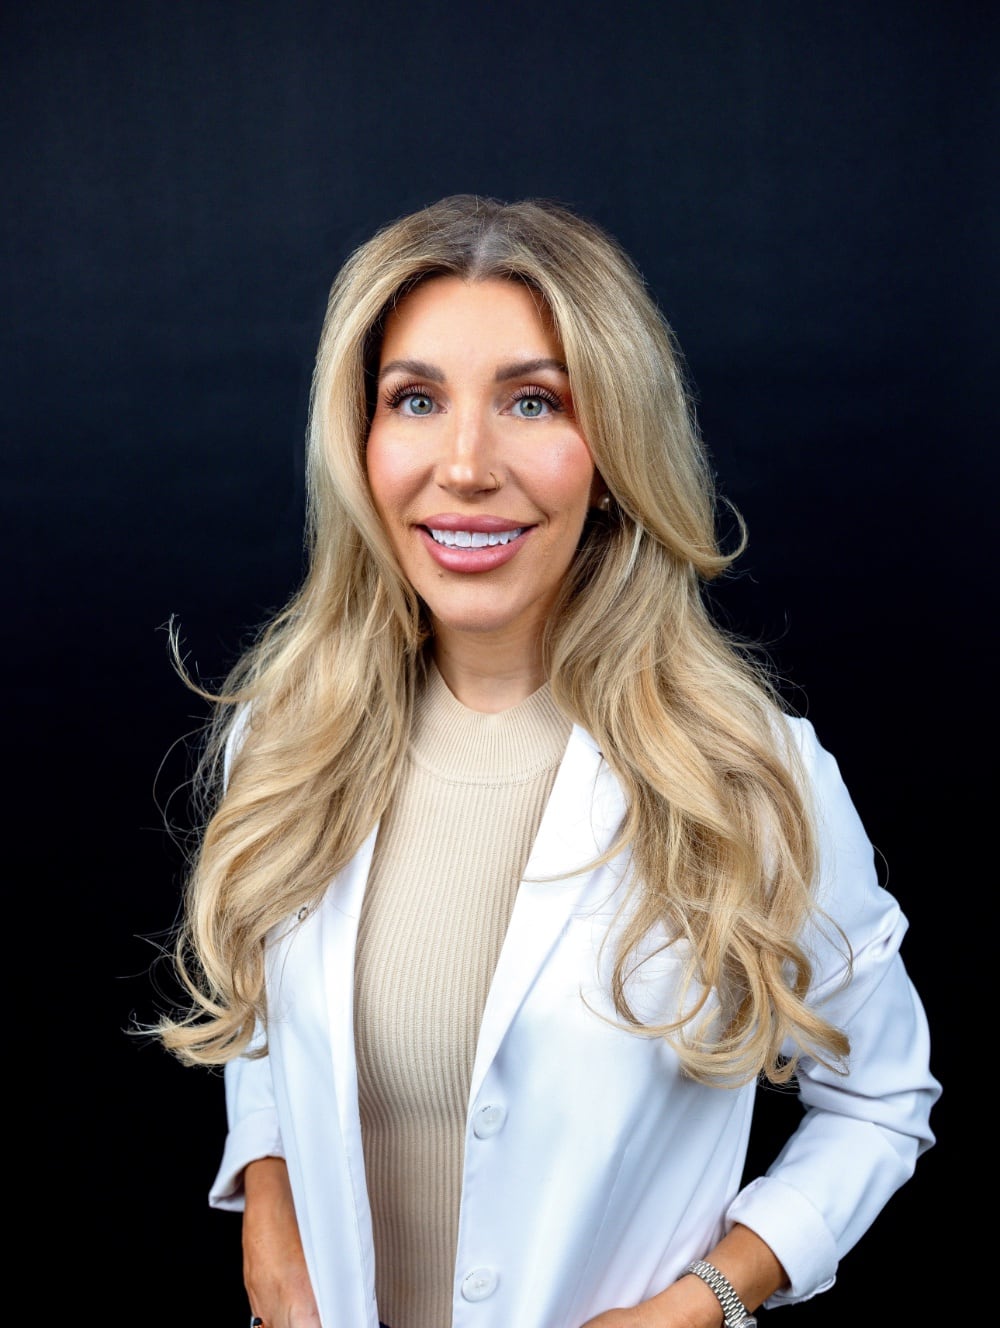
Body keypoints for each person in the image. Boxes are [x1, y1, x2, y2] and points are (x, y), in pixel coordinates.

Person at [155, 194, 940, 1328]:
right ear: (360, 444)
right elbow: (271, 1021)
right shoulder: (287, 738)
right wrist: (267, 1206)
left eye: (533, 401)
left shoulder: (749, 776)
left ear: (614, 452)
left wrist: (704, 1302)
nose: (465, 465)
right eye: (415, 399)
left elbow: (879, 1097)